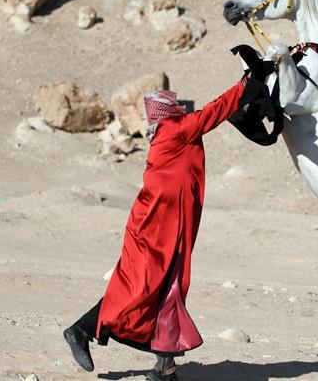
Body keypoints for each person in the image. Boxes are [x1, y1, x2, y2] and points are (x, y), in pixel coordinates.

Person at [64, 81, 245, 381]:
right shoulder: (177, 130)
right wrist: (245, 85)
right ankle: (81, 330)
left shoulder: (165, 133)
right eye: (175, 106)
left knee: (158, 289)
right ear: (168, 112)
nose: (182, 109)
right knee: (145, 290)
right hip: (157, 231)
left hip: (159, 226)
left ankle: (165, 367)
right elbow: (215, 111)